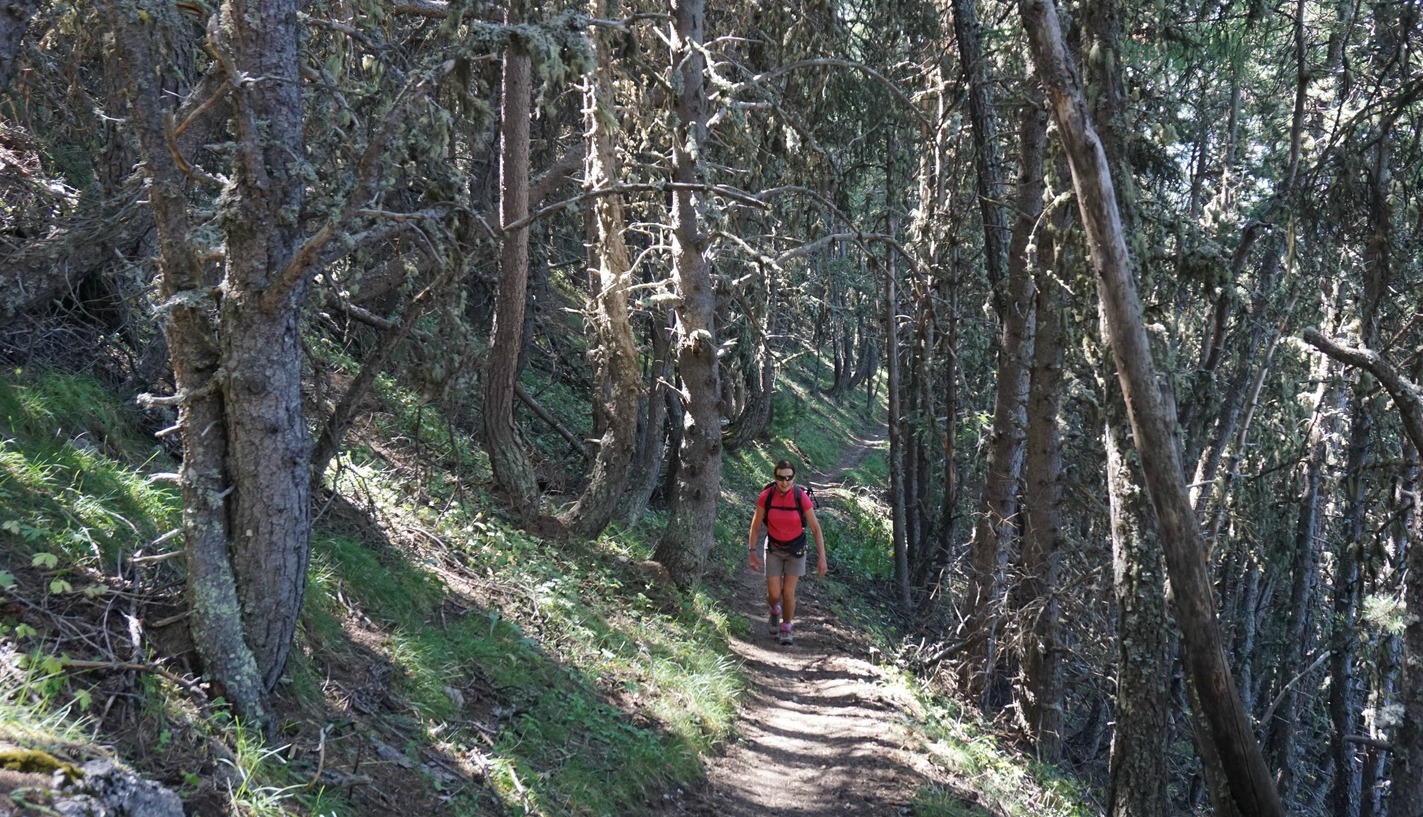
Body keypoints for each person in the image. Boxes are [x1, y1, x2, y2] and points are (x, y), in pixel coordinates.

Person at [747, 460, 827, 645]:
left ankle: (786, 628)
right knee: (774, 594)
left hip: (796, 550)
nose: (784, 482)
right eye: (780, 478)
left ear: (794, 478)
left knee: (788, 593)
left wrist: (822, 557)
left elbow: (816, 529)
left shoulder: (801, 498)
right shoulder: (766, 496)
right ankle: (774, 611)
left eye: (788, 478)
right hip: (774, 548)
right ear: (775, 477)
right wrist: (752, 551)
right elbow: (756, 525)